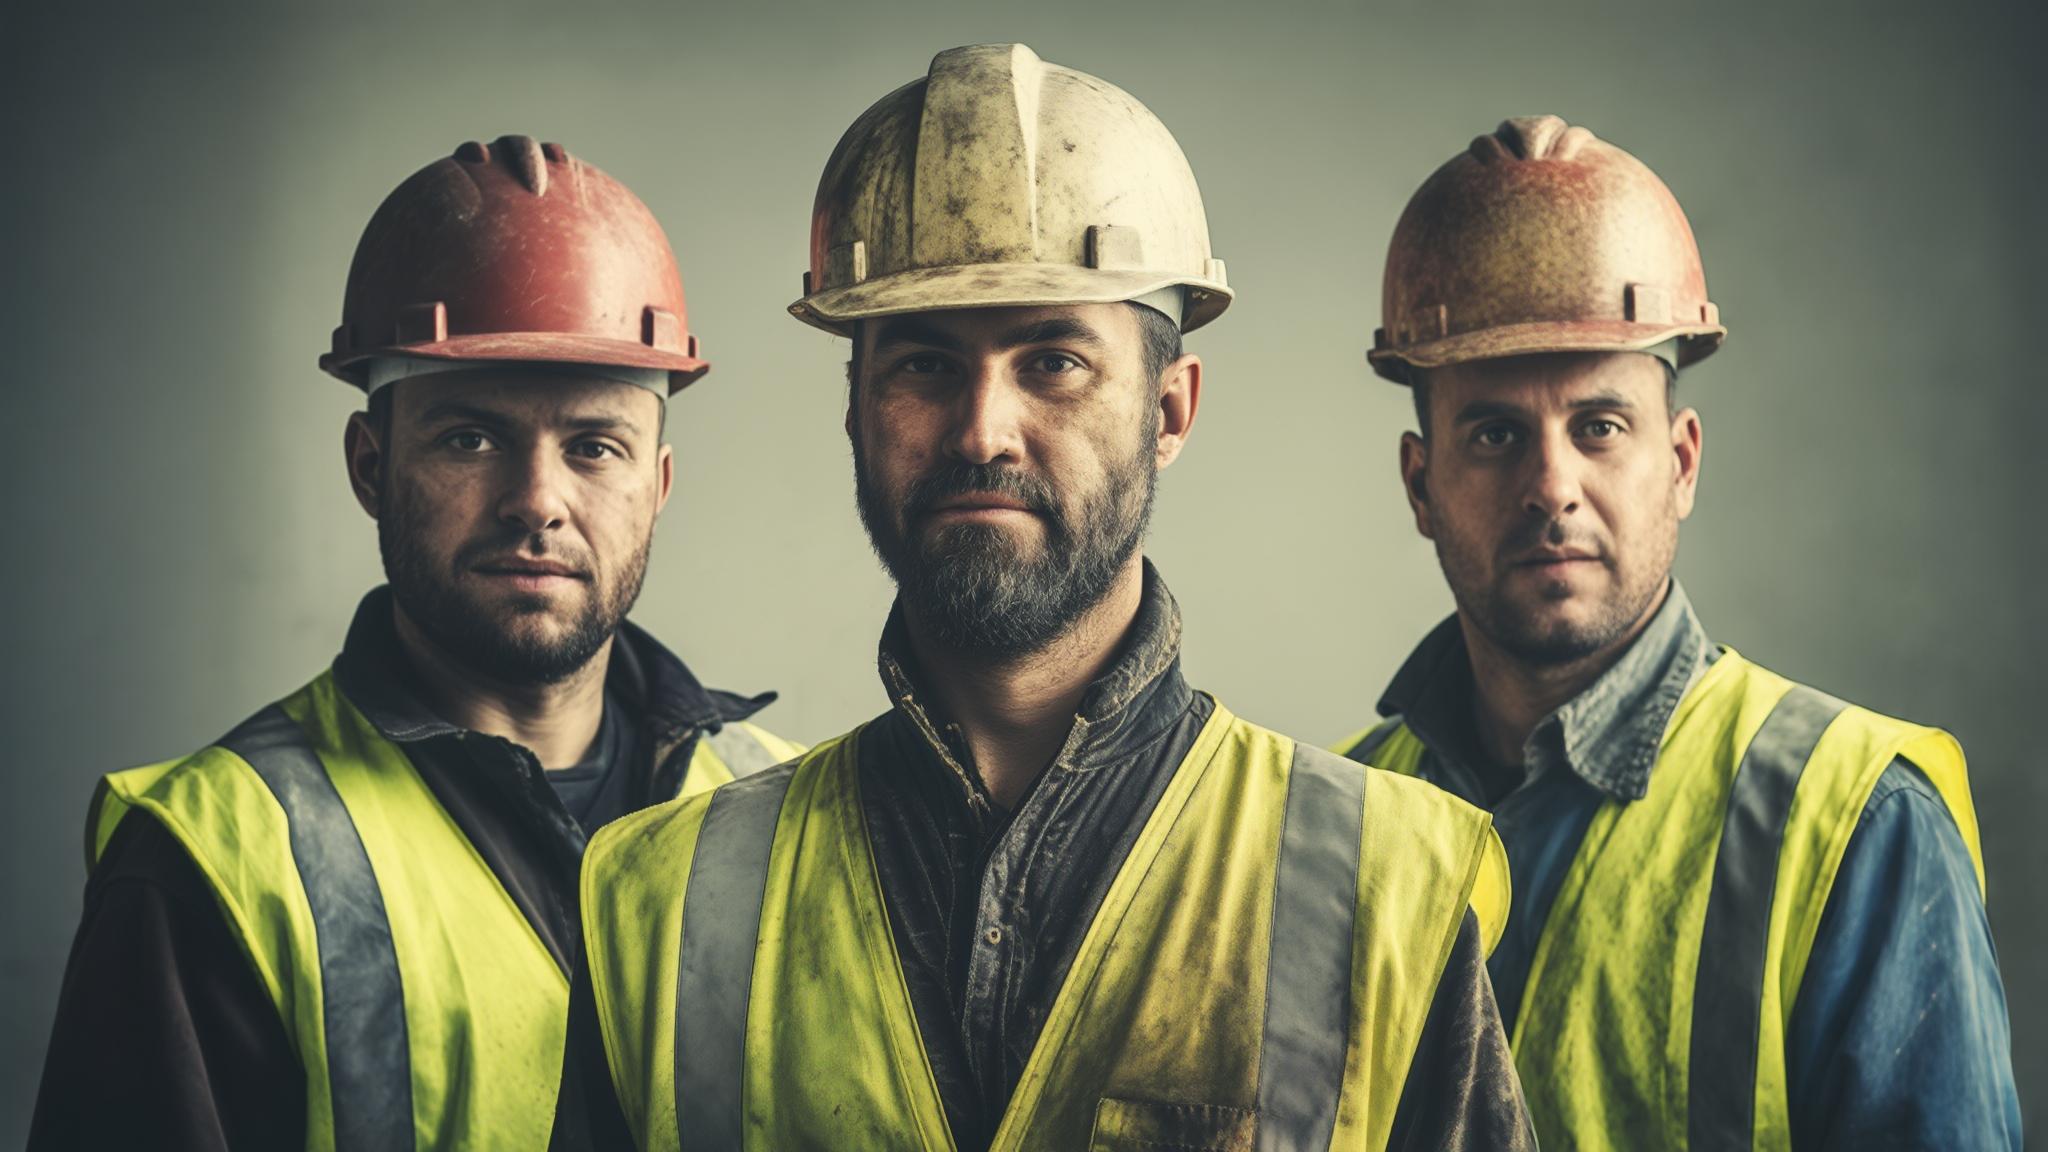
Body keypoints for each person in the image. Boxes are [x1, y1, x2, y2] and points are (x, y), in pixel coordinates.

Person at [553, 45, 1534, 1152]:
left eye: (1053, 362)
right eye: (922, 365)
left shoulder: (1385, 882)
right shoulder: (663, 898)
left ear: (1169, 412)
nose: (981, 429)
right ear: (854, 413)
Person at [29, 135, 800, 1151]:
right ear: (369, 465)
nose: (537, 503)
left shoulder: (794, 821)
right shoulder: (210, 862)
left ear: (654, 487)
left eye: (594, 447)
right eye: (468, 438)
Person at [1339, 114, 2022, 1150]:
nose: (1549, 488)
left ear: (1681, 463)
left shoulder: (1852, 821)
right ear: (1419, 483)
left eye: (1599, 427)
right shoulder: (1343, 825)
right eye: (1492, 433)